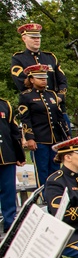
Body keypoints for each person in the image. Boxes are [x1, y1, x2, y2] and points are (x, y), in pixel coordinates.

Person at [17, 64, 68, 185]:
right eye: (40, 78)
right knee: (42, 169)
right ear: (31, 79)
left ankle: (55, 194)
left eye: (44, 77)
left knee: (56, 168)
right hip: (40, 138)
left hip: (55, 138)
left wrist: (67, 135)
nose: (44, 80)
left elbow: (60, 117)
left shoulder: (52, 95)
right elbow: (25, 119)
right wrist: (30, 138)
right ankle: (43, 196)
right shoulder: (26, 96)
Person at [10, 23, 68, 103]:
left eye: (38, 37)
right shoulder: (18, 58)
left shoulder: (50, 57)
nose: (37, 40)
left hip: (56, 105)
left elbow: (62, 81)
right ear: (24, 38)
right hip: (33, 105)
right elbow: (22, 83)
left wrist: (59, 97)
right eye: (33, 37)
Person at [0, 94, 26, 232]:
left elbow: (14, 132)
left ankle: (9, 222)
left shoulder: (5, 105)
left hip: (6, 155)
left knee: (8, 191)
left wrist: (19, 155)